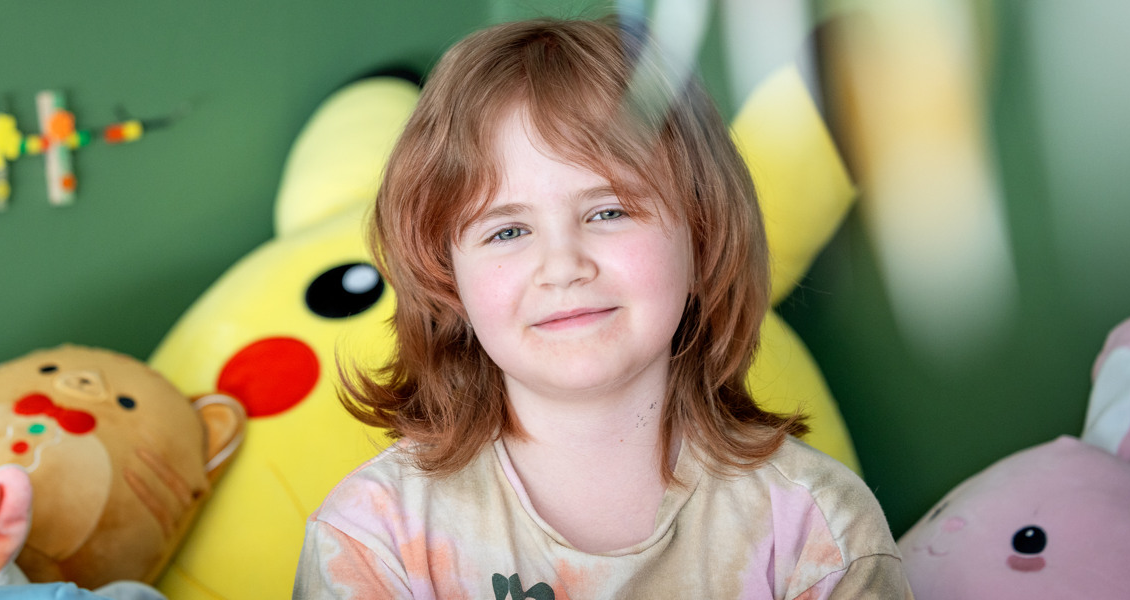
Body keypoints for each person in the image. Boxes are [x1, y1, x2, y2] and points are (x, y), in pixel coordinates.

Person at [294, 17, 911, 599]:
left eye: (609, 212)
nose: (563, 265)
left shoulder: (819, 526)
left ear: (702, 237)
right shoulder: (374, 537)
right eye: (507, 231)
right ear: (446, 277)